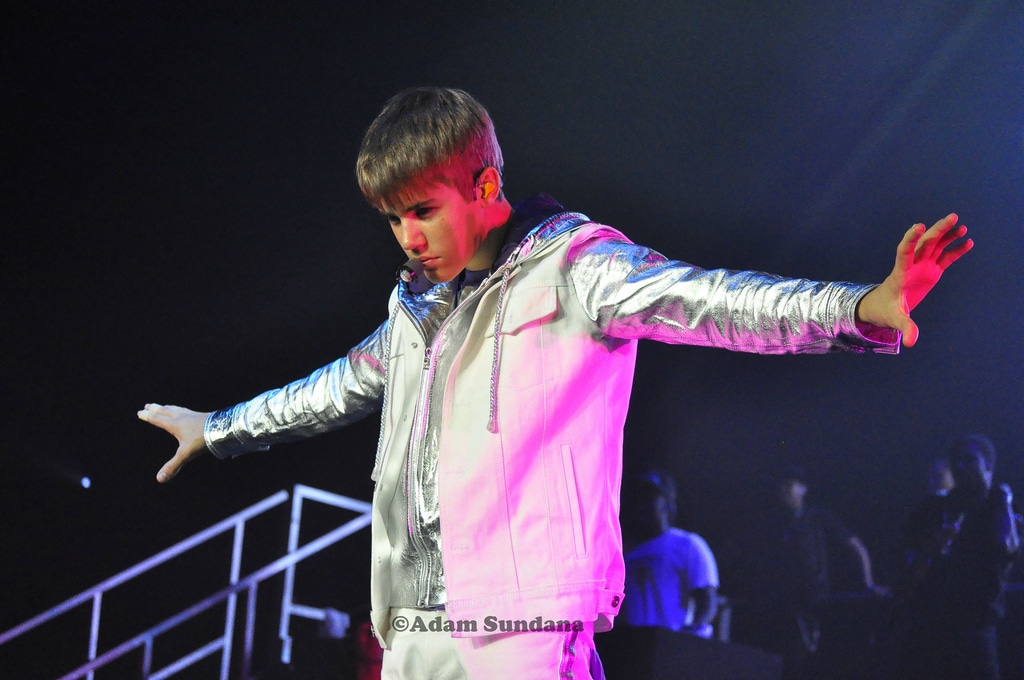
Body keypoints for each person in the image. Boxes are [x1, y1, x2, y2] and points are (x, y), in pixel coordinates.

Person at [137, 87, 972, 680]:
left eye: (422, 210)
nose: (408, 237)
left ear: (485, 185)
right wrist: (218, 428)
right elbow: (335, 387)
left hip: (526, 617)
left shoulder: (576, 266)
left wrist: (860, 307)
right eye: (392, 219)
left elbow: (709, 299)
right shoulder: (415, 306)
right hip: (418, 619)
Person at [728, 464, 888, 680]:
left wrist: (868, 584)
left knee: (806, 661)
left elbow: (856, 547)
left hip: (814, 604)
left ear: (803, 489)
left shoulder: (817, 518)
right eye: (781, 485)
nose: (783, 490)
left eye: (789, 485)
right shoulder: (773, 522)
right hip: (780, 606)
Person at [890, 434, 1022, 680]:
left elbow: (1007, 546)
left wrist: (1005, 496)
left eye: (970, 460)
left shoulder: (999, 507)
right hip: (930, 630)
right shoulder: (934, 508)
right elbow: (904, 555)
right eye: (957, 462)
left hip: (976, 630)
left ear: (989, 465)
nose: (961, 467)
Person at [620, 471, 719, 638]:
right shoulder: (623, 552)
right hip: (628, 646)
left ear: (666, 504)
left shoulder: (688, 545)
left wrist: (688, 637)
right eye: (639, 499)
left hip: (666, 647)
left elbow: (707, 600)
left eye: (650, 498)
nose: (642, 504)